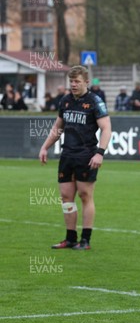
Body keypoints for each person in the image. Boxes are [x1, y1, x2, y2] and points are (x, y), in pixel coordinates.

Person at [38, 65, 112, 250]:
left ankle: (85, 240)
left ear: (86, 82)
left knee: (85, 195)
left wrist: (100, 153)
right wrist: (45, 147)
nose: (73, 85)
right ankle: (70, 238)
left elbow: (106, 129)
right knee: (66, 196)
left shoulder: (95, 101)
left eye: (77, 81)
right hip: (67, 155)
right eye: (71, 81)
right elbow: (58, 127)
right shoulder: (65, 101)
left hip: (86, 156)